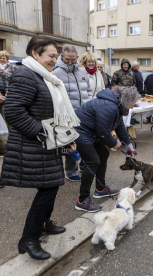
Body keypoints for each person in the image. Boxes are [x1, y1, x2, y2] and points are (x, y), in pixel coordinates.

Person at [0, 37, 79, 260]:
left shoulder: (43, 75)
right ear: (35, 53)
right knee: (49, 187)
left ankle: (44, 224)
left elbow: (50, 112)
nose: (55, 60)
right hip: (33, 144)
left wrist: (64, 138)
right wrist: (41, 132)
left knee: (52, 185)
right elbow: (14, 111)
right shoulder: (26, 74)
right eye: (51, 56)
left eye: (56, 56)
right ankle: (28, 239)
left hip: (46, 143)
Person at [74, 86, 140, 212]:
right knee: (93, 161)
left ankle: (100, 188)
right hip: (80, 131)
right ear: (126, 100)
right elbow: (103, 131)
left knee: (103, 153)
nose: (132, 107)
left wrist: (129, 147)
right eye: (132, 104)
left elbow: (120, 127)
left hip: (91, 132)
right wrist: (113, 143)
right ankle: (82, 200)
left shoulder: (116, 105)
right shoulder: (109, 106)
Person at [53, 45, 92, 182]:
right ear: (62, 56)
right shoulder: (56, 73)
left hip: (84, 113)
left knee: (85, 141)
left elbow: (88, 91)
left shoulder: (82, 71)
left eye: (73, 59)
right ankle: (70, 171)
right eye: (67, 59)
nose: (70, 62)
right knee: (70, 142)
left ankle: (84, 165)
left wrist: (89, 106)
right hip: (67, 115)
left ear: (77, 57)